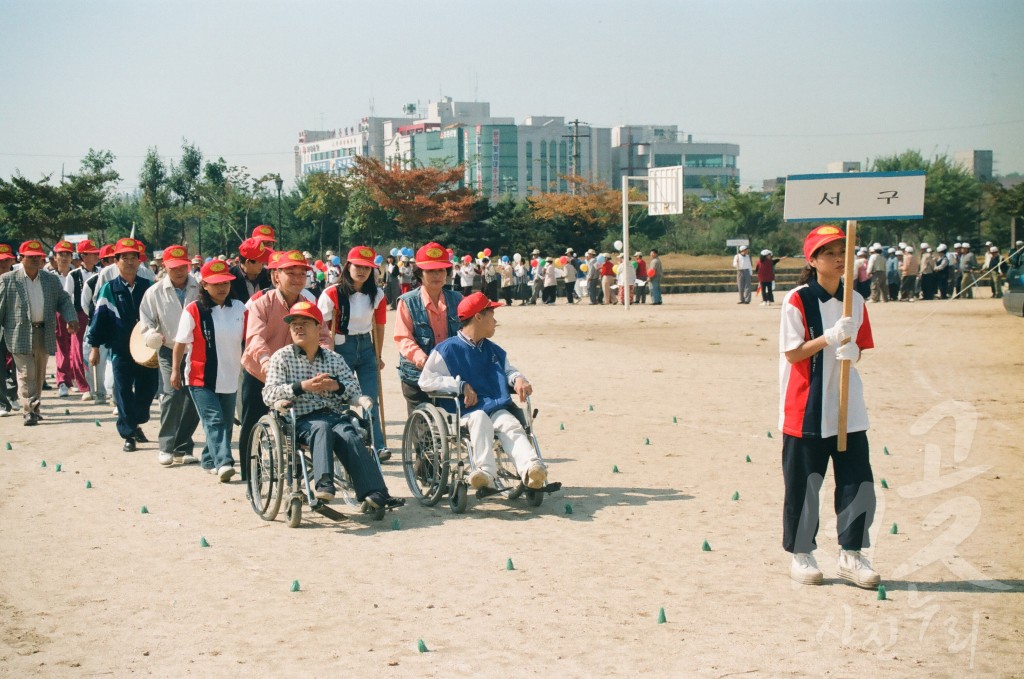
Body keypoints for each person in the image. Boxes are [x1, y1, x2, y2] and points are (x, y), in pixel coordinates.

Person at [779, 225, 879, 589]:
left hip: (848, 407)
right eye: (831, 253)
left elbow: (861, 348)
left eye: (844, 252)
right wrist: (828, 338)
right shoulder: (798, 299)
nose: (840, 259)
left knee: (858, 481)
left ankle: (851, 552)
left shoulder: (857, 299)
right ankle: (801, 552)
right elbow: (792, 353)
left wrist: (854, 351)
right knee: (805, 483)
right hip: (806, 406)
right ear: (813, 260)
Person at [263, 300, 395, 507]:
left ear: (318, 327)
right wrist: (302, 386)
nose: (297, 327)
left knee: (349, 433)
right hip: (298, 419)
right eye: (293, 324)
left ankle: (375, 491)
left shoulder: (334, 359)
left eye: (304, 322)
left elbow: (354, 391)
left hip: (332, 414)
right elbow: (269, 394)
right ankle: (324, 484)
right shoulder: (281, 357)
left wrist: (337, 387)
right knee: (321, 428)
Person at [418, 292, 548, 491]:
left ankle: (531, 468)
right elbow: (426, 380)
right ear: (478, 316)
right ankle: (485, 472)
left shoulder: (494, 350)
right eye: (491, 314)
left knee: (510, 423)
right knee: (479, 418)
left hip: (494, 407)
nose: (495, 321)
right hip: (462, 413)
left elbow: (508, 371)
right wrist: (460, 386)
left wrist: (518, 379)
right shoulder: (446, 350)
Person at [240, 250, 330, 482]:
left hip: (295, 374)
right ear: (275, 276)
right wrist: (267, 362)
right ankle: (250, 476)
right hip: (259, 371)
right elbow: (254, 338)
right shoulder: (260, 304)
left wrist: (325, 359)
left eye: (302, 273)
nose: (298, 278)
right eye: (291, 273)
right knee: (252, 423)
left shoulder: (309, 305)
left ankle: (295, 476)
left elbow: (323, 337)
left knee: (295, 423)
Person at [171, 260, 246, 480]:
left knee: (225, 423)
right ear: (204, 285)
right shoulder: (193, 310)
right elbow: (180, 344)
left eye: (226, 282)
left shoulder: (240, 308)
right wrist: (175, 370)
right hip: (200, 377)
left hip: (230, 376)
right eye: (216, 283)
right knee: (214, 421)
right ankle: (224, 462)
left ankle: (209, 459)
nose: (222, 288)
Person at [318, 245, 390, 461]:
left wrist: (378, 355)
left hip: (366, 346)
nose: (362, 271)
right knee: (339, 397)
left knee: (371, 398)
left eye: (367, 268)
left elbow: (379, 325)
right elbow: (322, 325)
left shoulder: (376, 294)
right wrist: (326, 353)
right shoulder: (331, 293)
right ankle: (342, 443)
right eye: (358, 266)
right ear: (348, 266)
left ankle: (378, 445)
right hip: (341, 346)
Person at [87, 238, 159, 449]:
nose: (129, 262)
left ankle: (136, 421)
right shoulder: (109, 289)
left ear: (139, 261)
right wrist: (94, 349)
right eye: (124, 258)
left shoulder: (149, 287)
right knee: (123, 390)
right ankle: (128, 434)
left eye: (133, 257)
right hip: (119, 349)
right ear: (116, 262)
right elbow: (99, 319)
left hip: (146, 350)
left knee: (149, 389)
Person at [0, 240, 78, 425]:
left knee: (39, 373)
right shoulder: (8, 279)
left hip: (44, 332)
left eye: (38, 257)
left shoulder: (50, 279)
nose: (35, 260)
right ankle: (29, 410)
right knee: (26, 373)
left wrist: (71, 318)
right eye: (31, 257)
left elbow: (64, 300)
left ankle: (34, 408)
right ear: (20, 258)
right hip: (18, 334)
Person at [139, 244, 202, 466]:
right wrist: (151, 334)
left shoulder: (200, 287)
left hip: (197, 350)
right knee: (171, 395)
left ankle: (183, 446)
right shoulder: (154, 292)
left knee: (195, 398)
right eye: (173, 267)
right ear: (165, 266)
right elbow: (145, 322)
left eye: (183, 266)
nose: (179, 271)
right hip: (168, 349)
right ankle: (166, 445)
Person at [394, 242, 463, 415]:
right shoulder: (407, 301)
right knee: (424, 433)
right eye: (430, 271)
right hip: (417, 376)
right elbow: (403, 338)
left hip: (451, 374)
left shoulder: (458, 299)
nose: (437, 275)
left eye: (441, 270)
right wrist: (423, 360)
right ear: (420, 274)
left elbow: (468, 333)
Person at [0, 243, 18, 416]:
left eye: (6, 260)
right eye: (0, 262)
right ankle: (2, 402)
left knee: (16, 365)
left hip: (16, 329)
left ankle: (13, 395)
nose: (3, 265)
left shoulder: (18, 278)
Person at [229, 237, 272, 305]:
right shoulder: (230, 279)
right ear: (248, 262)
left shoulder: (268, 275)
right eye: (261, 261)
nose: (264, 263)